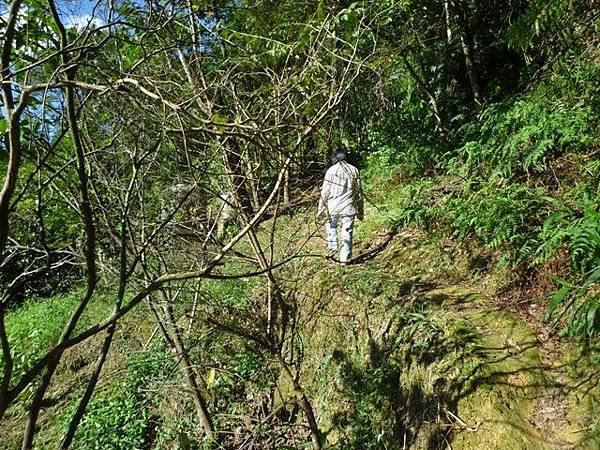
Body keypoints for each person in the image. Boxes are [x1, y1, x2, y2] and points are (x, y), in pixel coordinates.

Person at [317, 149, 364, 263]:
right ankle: (345, 260)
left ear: (335, 158)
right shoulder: (354, 170)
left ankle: (332, 255)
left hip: (333, 207)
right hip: (349, 207)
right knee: (347, 232)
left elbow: (325, 192)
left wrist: (320, 209)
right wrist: (361, 211)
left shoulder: (331, 171)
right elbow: (358, 192)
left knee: (332, 230)